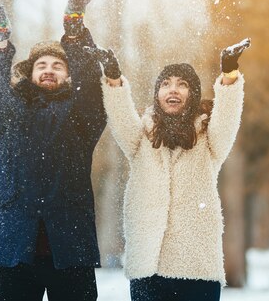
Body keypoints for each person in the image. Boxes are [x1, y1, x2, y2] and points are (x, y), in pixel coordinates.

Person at [85, 38, 250, 301]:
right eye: (166, 84)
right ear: (157, 94)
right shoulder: (141, 137)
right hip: (148, 267)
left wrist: (229, 73)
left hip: (197, 268)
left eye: (182, 85)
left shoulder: (209, 138)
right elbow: (120, 116)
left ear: (192, 94)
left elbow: (228, 116)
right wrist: (114, 78)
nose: (173, 90)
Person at [0, 0, 106, 301]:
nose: (49, 70)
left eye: (57, 66)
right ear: (30, 73)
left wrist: (75, 35)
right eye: (41, 65)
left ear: (68, 75)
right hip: (15, 247)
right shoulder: (8, 115)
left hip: (70, 248)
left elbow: (90, 88)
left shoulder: (80, 117)